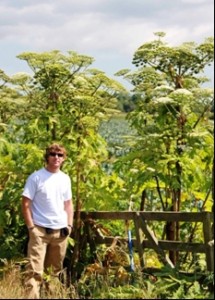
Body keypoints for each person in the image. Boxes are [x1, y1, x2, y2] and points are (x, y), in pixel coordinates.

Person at [21, 143, 74, 299]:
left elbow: (68, 204)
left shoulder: (65, 179)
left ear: (64, 158)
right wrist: (32, 228)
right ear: (47, 157)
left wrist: (69, 226)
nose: (56, 158)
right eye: (53, 154)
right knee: (34, 273)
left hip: (60, 232)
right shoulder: (36, 177)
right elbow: (25, 203)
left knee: (54, 273)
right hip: (40, 231)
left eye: (60, 155)